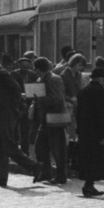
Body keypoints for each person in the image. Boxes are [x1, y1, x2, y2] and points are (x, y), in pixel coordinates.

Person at [0, 50, 36, 187]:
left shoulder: (1, 73)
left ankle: (36, 167)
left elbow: (16, 89)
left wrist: (13, 107)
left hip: (7, 113)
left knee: (9, 145)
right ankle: (1, 177)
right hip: (3, 112)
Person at [73, 64, 104, 197]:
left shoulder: (83, 91)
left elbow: (79, 112)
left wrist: (79, 128)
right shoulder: (100, 92)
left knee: (88, 158)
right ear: (101, 79)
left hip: (85, 131)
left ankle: (89, 185)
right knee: (96, 159)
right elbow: (103, 115)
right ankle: (89, 185)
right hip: (97, 132)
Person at [31, 56, 70, 184]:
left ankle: (61, 175)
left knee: (57, 148)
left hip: (55, 117)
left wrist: (40, 99)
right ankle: (46, 172)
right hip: (45, 118)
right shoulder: (41, 79)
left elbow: (57, 99)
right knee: (41, 146)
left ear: (38, 69)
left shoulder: (54, 79)